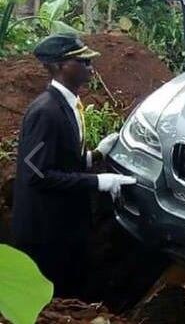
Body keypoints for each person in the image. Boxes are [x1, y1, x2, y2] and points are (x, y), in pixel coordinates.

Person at [12, 34, 136, 297]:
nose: (90, 67)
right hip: (46, 232)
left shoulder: (68, 104)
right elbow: (37, 175)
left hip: (66, 224)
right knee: (56, 297)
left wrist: (96, 156)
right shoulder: (45, 113)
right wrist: (99, 182)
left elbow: (60, 159)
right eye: (82, 62)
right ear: (59, 66)